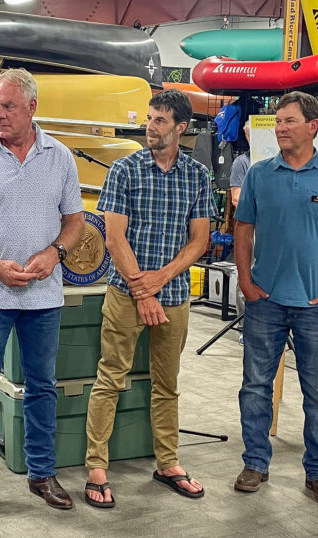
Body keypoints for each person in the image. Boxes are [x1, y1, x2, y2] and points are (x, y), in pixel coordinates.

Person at [0, 68, 85, 524]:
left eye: (8, 106)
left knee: (43, 386)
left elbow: (75, 222)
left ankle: (42, 474)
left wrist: (55, 252)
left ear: (32, 107)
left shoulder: (60, 157)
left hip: (43, 296)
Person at [83, 89, 215, 508]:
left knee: (167, 385)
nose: (150, 126)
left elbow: (200, 240)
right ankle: (96, 466)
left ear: (180, 128)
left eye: (160, 120)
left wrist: (161, 279)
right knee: (110, 379)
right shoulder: (124, 170)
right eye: (149, 118)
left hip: (173, 295)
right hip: (126, 295)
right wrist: (142, 289)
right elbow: (113, 235)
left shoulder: (197, 175)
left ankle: (168, 462)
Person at [232, 91, 318, 505]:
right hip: (265, 300)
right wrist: (245, 280)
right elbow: (243, 230)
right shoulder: (259, 173)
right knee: (255, 387)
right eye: (278, 121)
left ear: (313, 126)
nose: (280, 128)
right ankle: (255, 463)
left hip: (316, 304)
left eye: (288, 121)